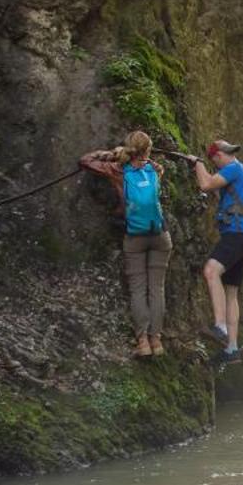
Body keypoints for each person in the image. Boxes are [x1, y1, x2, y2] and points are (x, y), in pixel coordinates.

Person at [79, 130, 171, 359]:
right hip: (160, 235)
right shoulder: (156, 170)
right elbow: (152, 170)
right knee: (157, 289)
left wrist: (109, 154)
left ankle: (142, 343)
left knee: (138, 289)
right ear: (148, 149)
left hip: (135, 236)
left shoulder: (118, 171)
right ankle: (157, 341)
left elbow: (85, 161)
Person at [192, 139, 243, 365]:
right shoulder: (241, 170)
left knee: (210, 271)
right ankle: (232, 349)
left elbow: (205, 185)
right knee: (231, 291)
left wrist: (197, 163)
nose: (221, 160)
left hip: (236, 235)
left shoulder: (233, 168)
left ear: (216, 157)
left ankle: (219, 326)